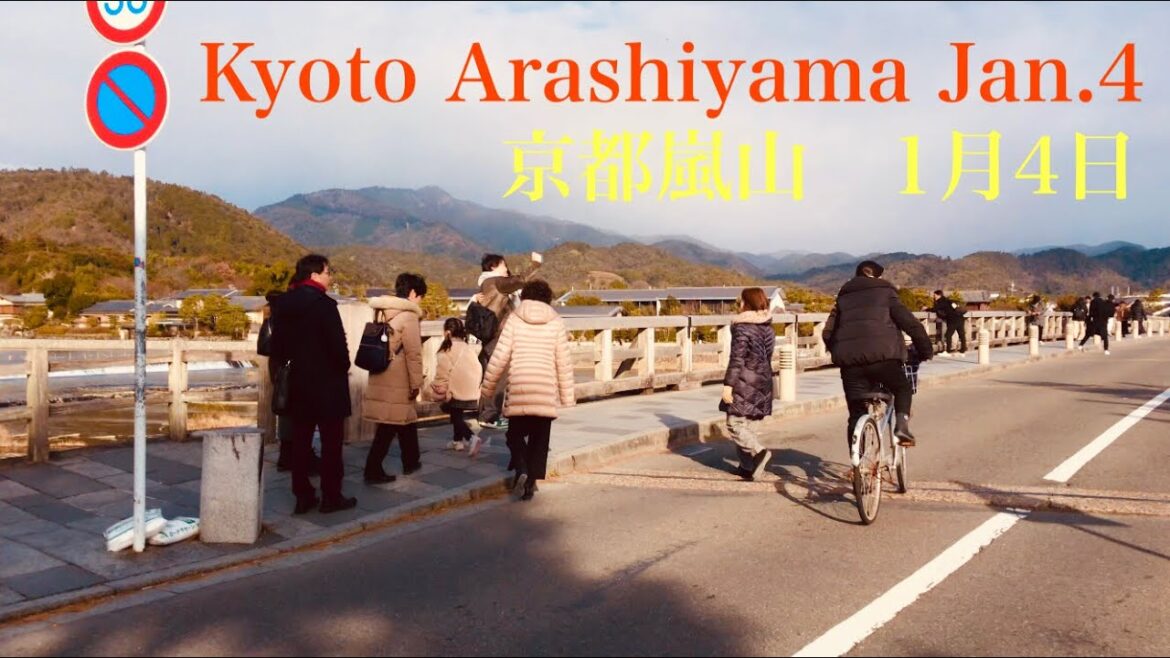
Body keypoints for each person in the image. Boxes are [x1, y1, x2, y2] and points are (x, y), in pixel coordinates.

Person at [269, 254, 357, 515]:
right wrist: (342, 368)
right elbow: (338, 348)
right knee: (331, 443)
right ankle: (331, 496)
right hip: (327, 384)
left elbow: (277, 347)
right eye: (328, 272)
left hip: (297, 382)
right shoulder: (325, 305)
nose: (330, 277)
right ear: (315, 275)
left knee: (300, 442)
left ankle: (302, 495)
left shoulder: (283, 304)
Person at [481, 279, 575, 501]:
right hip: (544, 387)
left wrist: (488, 387)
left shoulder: (514, 319)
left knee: (514, 434)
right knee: (539, 439)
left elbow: (500, 356)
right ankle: (530, 483)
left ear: (525, 297)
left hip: (521, 385)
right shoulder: (556, 322)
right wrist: (567, 396)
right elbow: (564, 361)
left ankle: (521, 468)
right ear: (548, 298)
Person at [823, 260, 933, 446]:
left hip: (851, 365)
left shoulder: (843, 297)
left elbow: (827, 333)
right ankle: (902, 426)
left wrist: (842, 353)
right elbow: (911, 324)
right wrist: (925, 351)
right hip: (884, 359)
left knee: (856, 414)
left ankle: (858, 464)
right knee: (902, 388)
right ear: (877, 276)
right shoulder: (886, 293)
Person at [363, 273, 426, 484]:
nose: (420, 301)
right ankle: (372, 469)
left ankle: (411, 460)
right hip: (398, 377)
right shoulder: (408, 316)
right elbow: (413, 353)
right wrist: (417, 383)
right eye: (420, 296)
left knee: (405, 419)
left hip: (381, 371)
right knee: (389, 425)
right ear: (413, 293)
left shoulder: (383, 312)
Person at [475, 253, 542, 431]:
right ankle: (490, 416)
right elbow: (519, 280)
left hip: (490, 337)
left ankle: (487, 414)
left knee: (491, 376)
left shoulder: (485, 284)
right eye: (503, 265)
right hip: (498, 337)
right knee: (498, 377)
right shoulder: (495, 282)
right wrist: (535, 265)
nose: (506, 269)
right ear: (493, 267)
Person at [261, 288, 321, 475]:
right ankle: (299, 457)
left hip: (278, 370)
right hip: (291, 372)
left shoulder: (273, 319)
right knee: (298, 414)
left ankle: (286, 456)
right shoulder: (289, 320)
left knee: (286, 412)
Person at [720, 287, 775, 481]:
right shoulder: (768, 326)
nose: (739, 305)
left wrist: (728, 385)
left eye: (740, 302)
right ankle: (747, 467)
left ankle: (759, 452)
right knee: (748, 424)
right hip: (763, 379)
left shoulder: (742, 326)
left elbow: (737, 359)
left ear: (747, 303)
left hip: (744, 379)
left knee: (734, 423)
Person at [426, 317, 485, 454]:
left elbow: (442, 373)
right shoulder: (468, 348)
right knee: (456, 412)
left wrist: (437, 387)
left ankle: (471, 438)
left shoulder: (446, 349)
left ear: (447, 332)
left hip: (456, 389)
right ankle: (457, 442)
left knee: (455, 415)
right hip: (472, 389)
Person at [931, 290, 967, 355]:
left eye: (934, 295)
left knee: (948, 335)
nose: (934, 297)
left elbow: (935, 309)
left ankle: (948, 351)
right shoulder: (949, 300)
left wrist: (926, 309)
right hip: (960, 318)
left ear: (939, 295)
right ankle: (963, 350)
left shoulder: (941, 302)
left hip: (952, 320)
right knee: (961, 334)